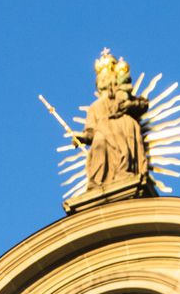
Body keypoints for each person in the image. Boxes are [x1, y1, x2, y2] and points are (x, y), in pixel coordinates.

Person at [65, 50, 153, 208]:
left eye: (107, 78)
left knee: (125, 152)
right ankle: (97, 182)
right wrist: (82, 137)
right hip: (101, 133)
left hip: (124, 127)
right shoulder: (94, 107)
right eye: (101, 79)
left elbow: (142, 104)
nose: (103, 81)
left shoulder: (123, 96)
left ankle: (124, 173)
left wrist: (129, 105)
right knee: (98, 148)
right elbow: (90, 131)